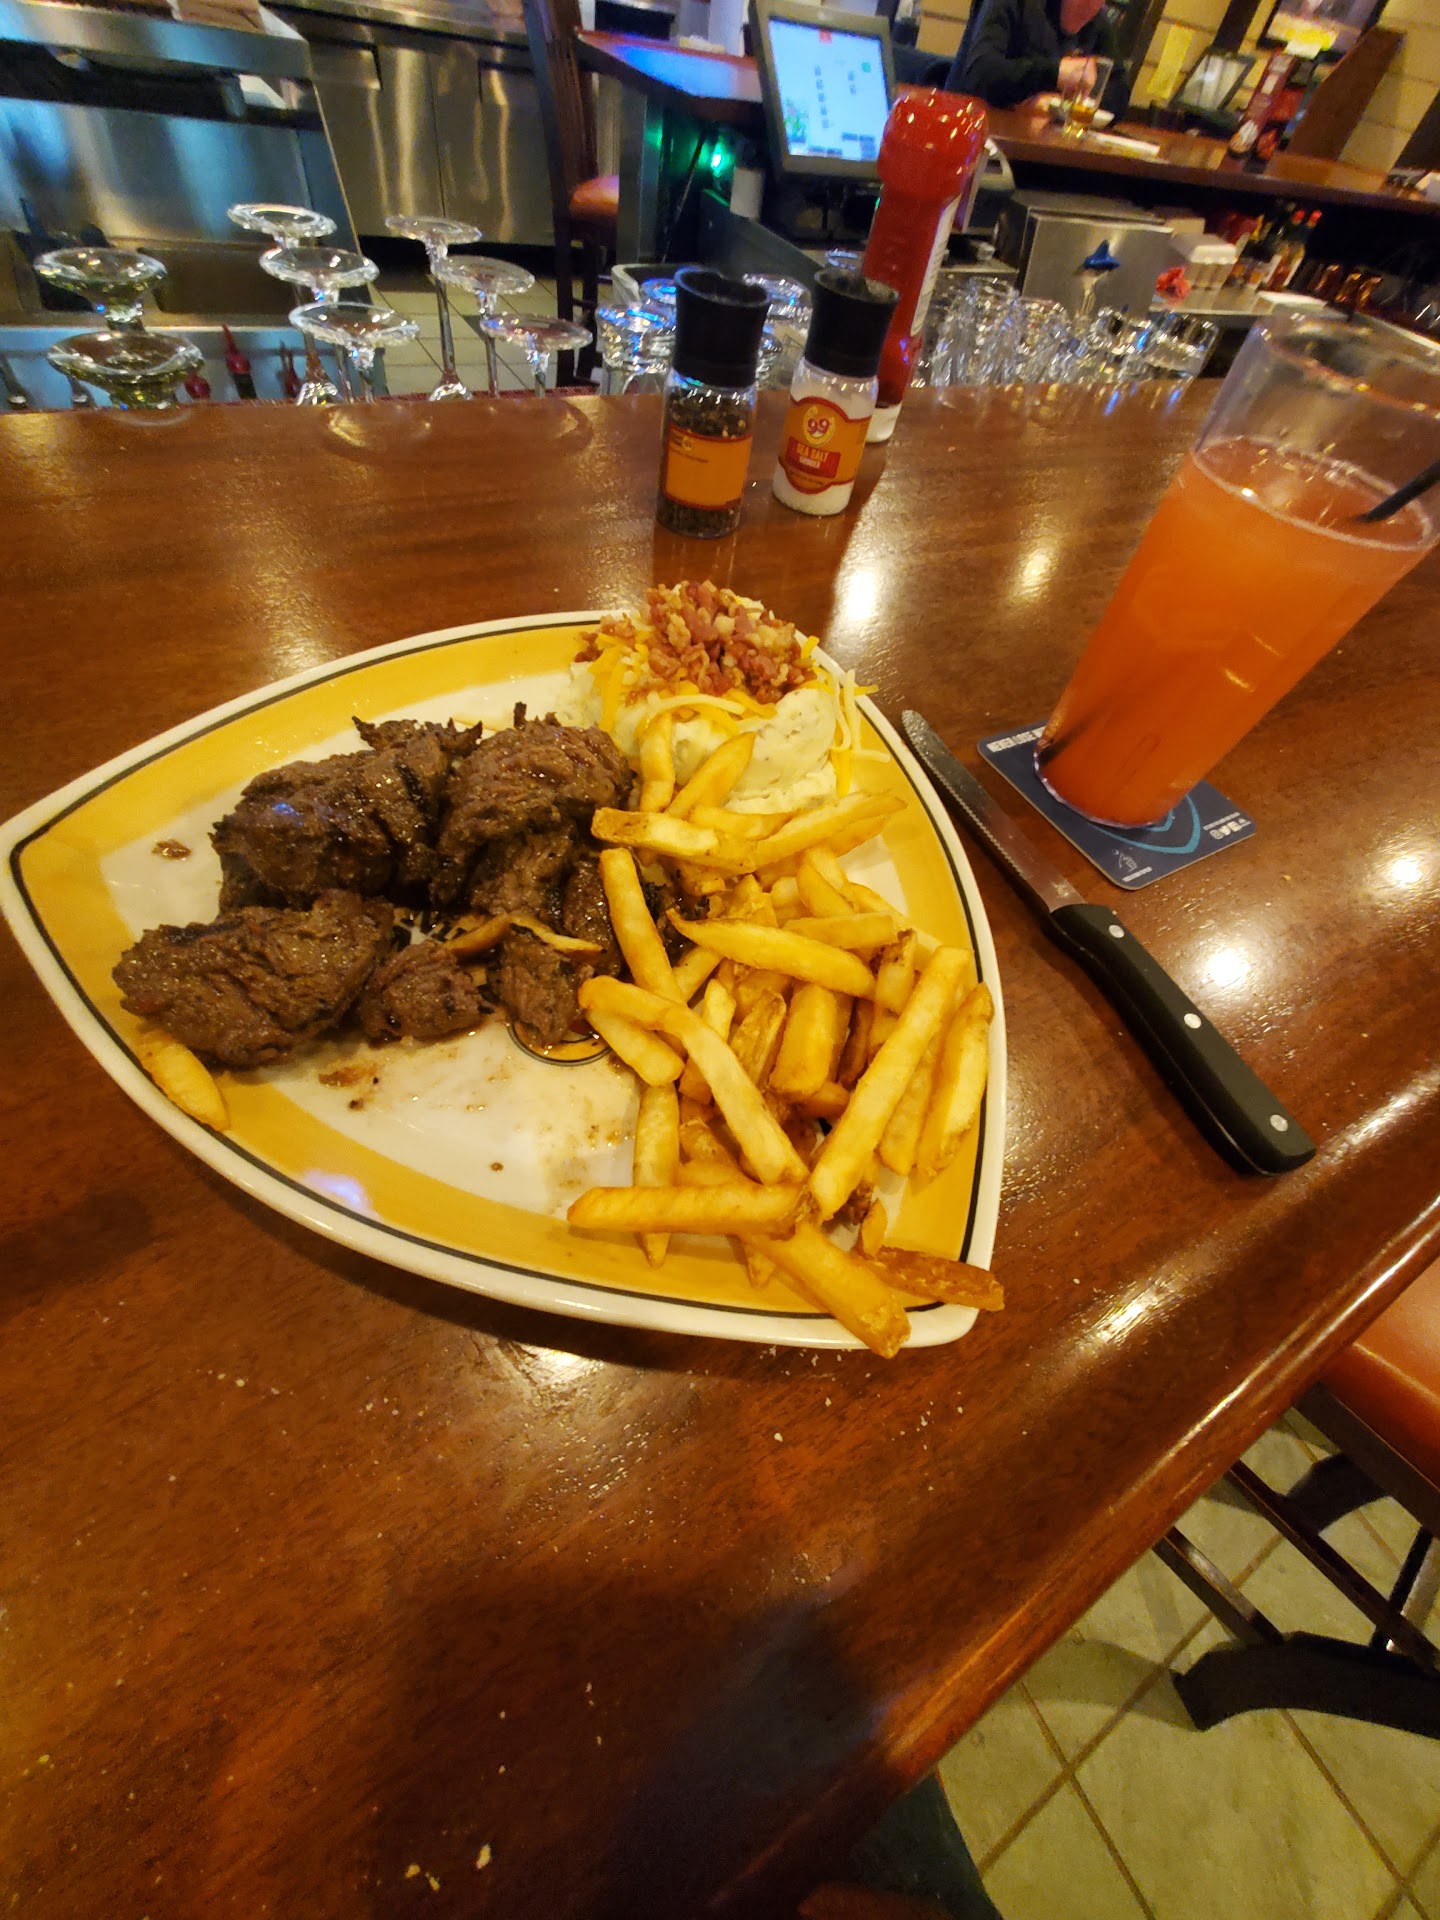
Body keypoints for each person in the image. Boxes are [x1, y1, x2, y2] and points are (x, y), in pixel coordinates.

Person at [946, 0, 1131, 116]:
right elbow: (979, 76)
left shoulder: (1097, 20)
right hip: (970, 134)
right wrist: (1056, 73)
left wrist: (1056, 99)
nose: (1092, 5)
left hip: (1040, 149)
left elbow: (1120, 93)